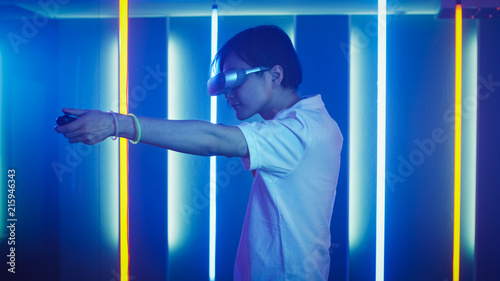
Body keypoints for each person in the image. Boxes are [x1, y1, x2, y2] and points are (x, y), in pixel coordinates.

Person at [55, 25, 343, 281]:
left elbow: (213, 139)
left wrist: (115, 123)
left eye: (235, 79)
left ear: (275, 75)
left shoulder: (301, 130)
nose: (228, 94)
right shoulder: (306, 124)